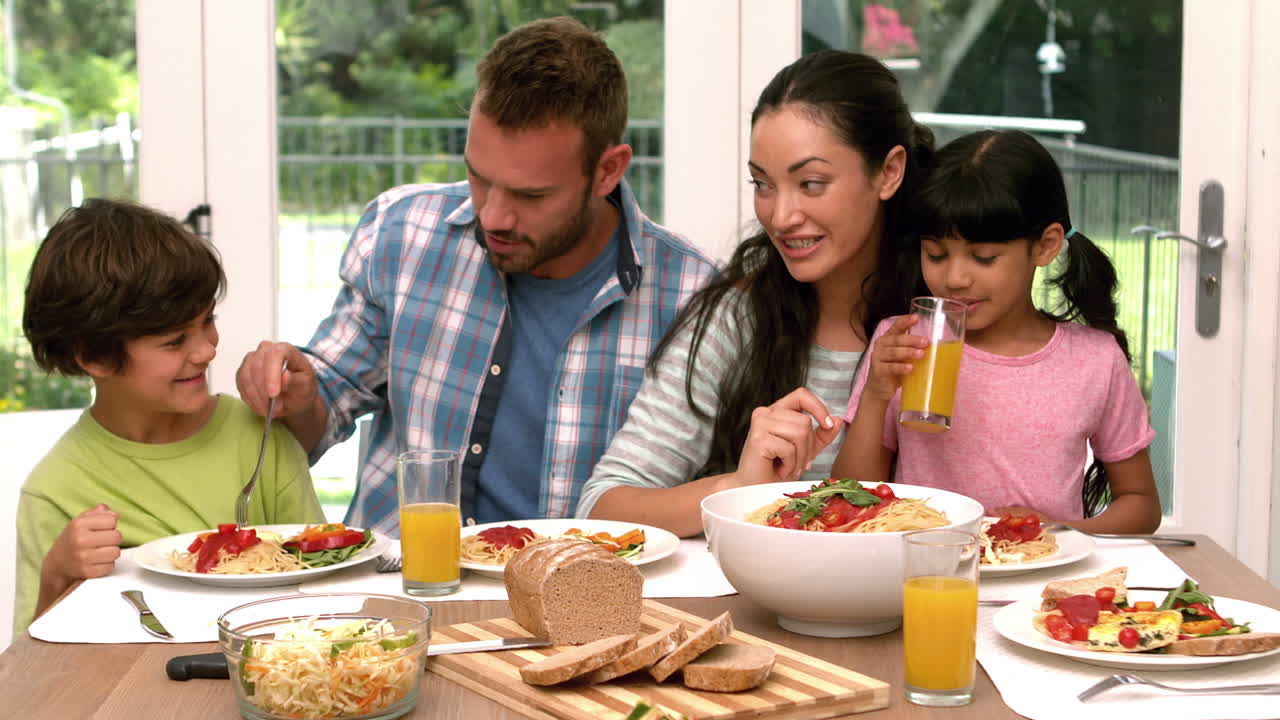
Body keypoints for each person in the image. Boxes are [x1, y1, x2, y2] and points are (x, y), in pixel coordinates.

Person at [235, 17, 716, 533]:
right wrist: (297, 396)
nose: (493, 217)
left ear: (608, 170)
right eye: (478, 178)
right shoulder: (402, 231)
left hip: (577, 580)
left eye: (530, 195)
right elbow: (324, 411)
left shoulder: (694, 296)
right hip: (402, 573)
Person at [575, 51, 935, 537]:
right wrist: (740, 488)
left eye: (811, 183)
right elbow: (601, 507)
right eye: (763, 184)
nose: (780, 216)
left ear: (888, 172)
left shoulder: (949, 324)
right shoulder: (740, 315)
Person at [14, 199, 324, 637]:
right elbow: (34, 664)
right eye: (175, 340)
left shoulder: (261, 439)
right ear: (95, 356)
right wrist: (57, 576)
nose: (207, 350)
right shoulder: (55, 492)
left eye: (208, 321)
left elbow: (328, 584)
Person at [833, 129, 1161, 533]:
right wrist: (875, 395)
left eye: (984, 258)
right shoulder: (904, 343)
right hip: (924, 566)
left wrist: (1056, 531)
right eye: (935, 254)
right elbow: (848, 498)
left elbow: (1141, 505)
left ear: (1045, 246)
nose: (954, 278)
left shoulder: (1094, 360)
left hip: (1040, 570)